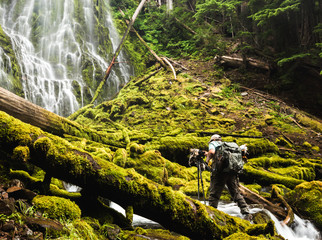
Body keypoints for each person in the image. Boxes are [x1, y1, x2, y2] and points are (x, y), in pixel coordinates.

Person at [205, 134, 250, 216]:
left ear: (213, 140)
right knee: (235, 192)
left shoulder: (213, 144)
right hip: (232, 171)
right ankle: (245, 210)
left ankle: (211, 213)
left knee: (214, 193)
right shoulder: (227, 146)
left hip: (220, 172)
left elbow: (212, 152)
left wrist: (206, 161)